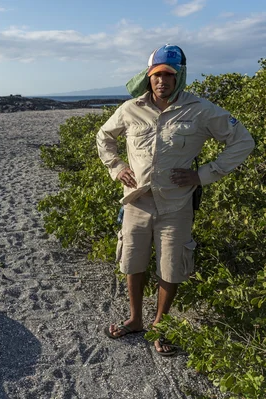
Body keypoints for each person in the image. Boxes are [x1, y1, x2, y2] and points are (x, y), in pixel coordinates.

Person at [95, 44, 255, 355]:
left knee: (171, 267)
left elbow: (242, 140)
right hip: (136, 201)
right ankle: (136, 319)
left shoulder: (201, 109)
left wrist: (205, 174)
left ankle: (161, 326)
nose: (162, 81)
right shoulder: (130, 108)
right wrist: (116, 168)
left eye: (169, 75)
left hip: (177, 204)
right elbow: (104, 136)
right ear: (148, 76)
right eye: (157, 75)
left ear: (179, 76)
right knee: (132, 261)